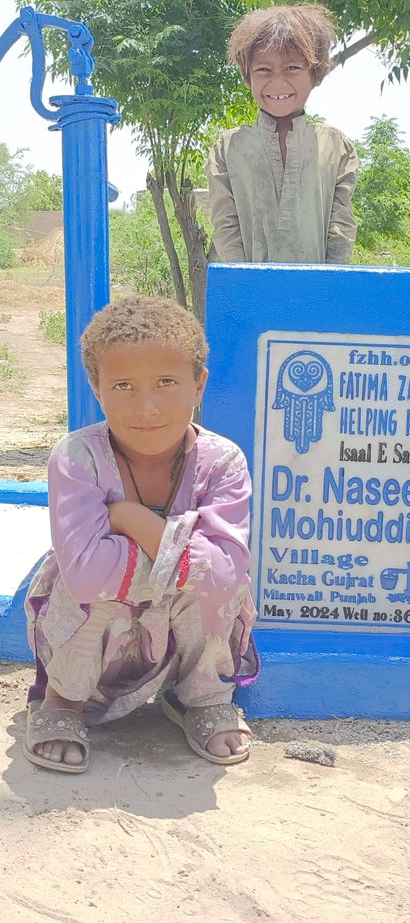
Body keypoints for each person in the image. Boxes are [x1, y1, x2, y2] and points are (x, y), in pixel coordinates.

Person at [23, 296, 260, 773]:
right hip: (95, 636)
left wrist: (130, 517)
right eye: (124, 386)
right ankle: (63, 700)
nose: (146, 407)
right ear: (97, 388)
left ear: (199, 385)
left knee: (221, 589)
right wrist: (181, 547)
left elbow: (222, 577)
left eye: (167, 383)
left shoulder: (222, 462)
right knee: (85, 583)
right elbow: (88, 578)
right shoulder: (77, 459)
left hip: (178, 631)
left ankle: (201, 696)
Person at [207, 2, 358, 264]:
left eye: (292, 68)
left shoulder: (336, 146)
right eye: (264, 69)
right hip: (251, 295)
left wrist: (330, 291)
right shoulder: (228, 148)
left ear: (316, 74)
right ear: (248, 76)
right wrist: (248, 288)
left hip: (317, 294)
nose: (277, 82)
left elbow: (341, 230)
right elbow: (226, 228)